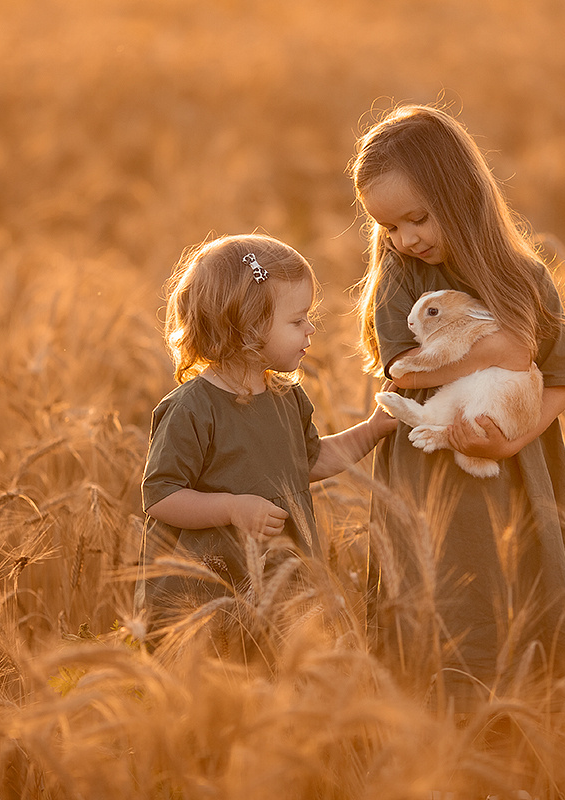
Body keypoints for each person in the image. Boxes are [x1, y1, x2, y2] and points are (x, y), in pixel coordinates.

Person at [350, 104, 565, 712]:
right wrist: (494, 353)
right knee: (443, 605)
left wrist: (509, 441)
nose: (405, 239)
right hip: (433, 480)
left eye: (417, 218)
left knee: (518, 603)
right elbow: (403, 370)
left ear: (460, 194)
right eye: (390, 228)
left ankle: (520, 735)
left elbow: (559, 380)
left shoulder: (525, 278)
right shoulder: (403, 281)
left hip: (516, 472)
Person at [140, 233, 396, 661]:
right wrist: (232, 508)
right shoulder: (193, 409)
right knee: (222, 682)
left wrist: (373, 429)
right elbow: (161, 496)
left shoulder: (287, 398)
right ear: (248, 326)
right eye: (297, 321)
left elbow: (309, 462)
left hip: (281, 579)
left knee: (276, 675)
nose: (311, 329)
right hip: (210, 589)